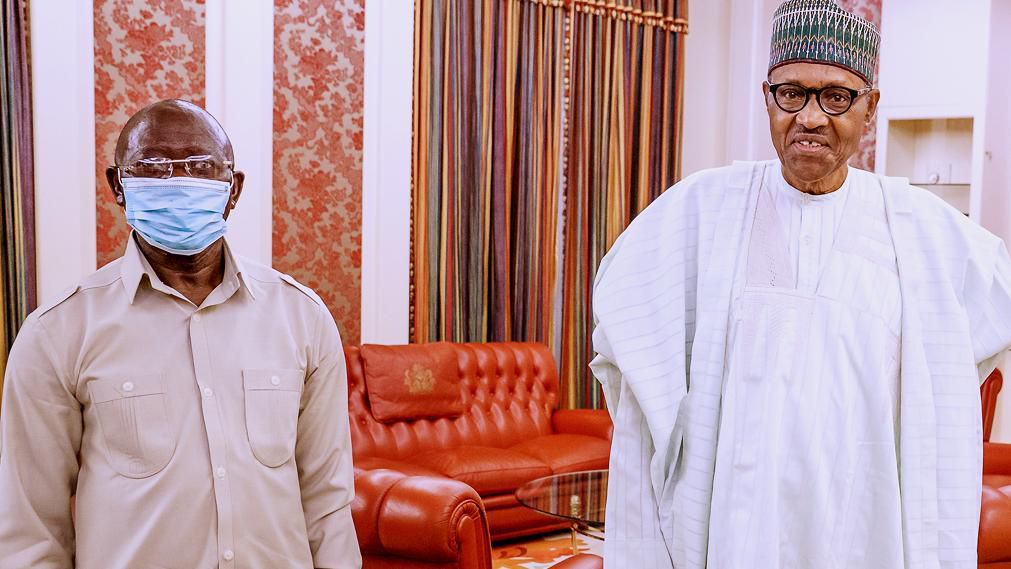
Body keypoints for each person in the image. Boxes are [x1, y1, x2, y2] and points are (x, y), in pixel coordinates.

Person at [590, 1, 1011, 567]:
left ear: (869, 109)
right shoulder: (702, 210)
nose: (810, 117)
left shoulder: (920, 230)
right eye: (791, 93)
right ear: (767, 98)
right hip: (739, 525)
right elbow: (625, 319)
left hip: (865, 523)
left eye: (836, 96)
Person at [0, 99, 362, 568]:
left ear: (233, 188)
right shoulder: (58, 332)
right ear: (119, 184)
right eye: (152, 165)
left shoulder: (302, 317)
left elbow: (327, 501)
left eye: (200, 166)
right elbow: (32, 529)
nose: (177, 181)